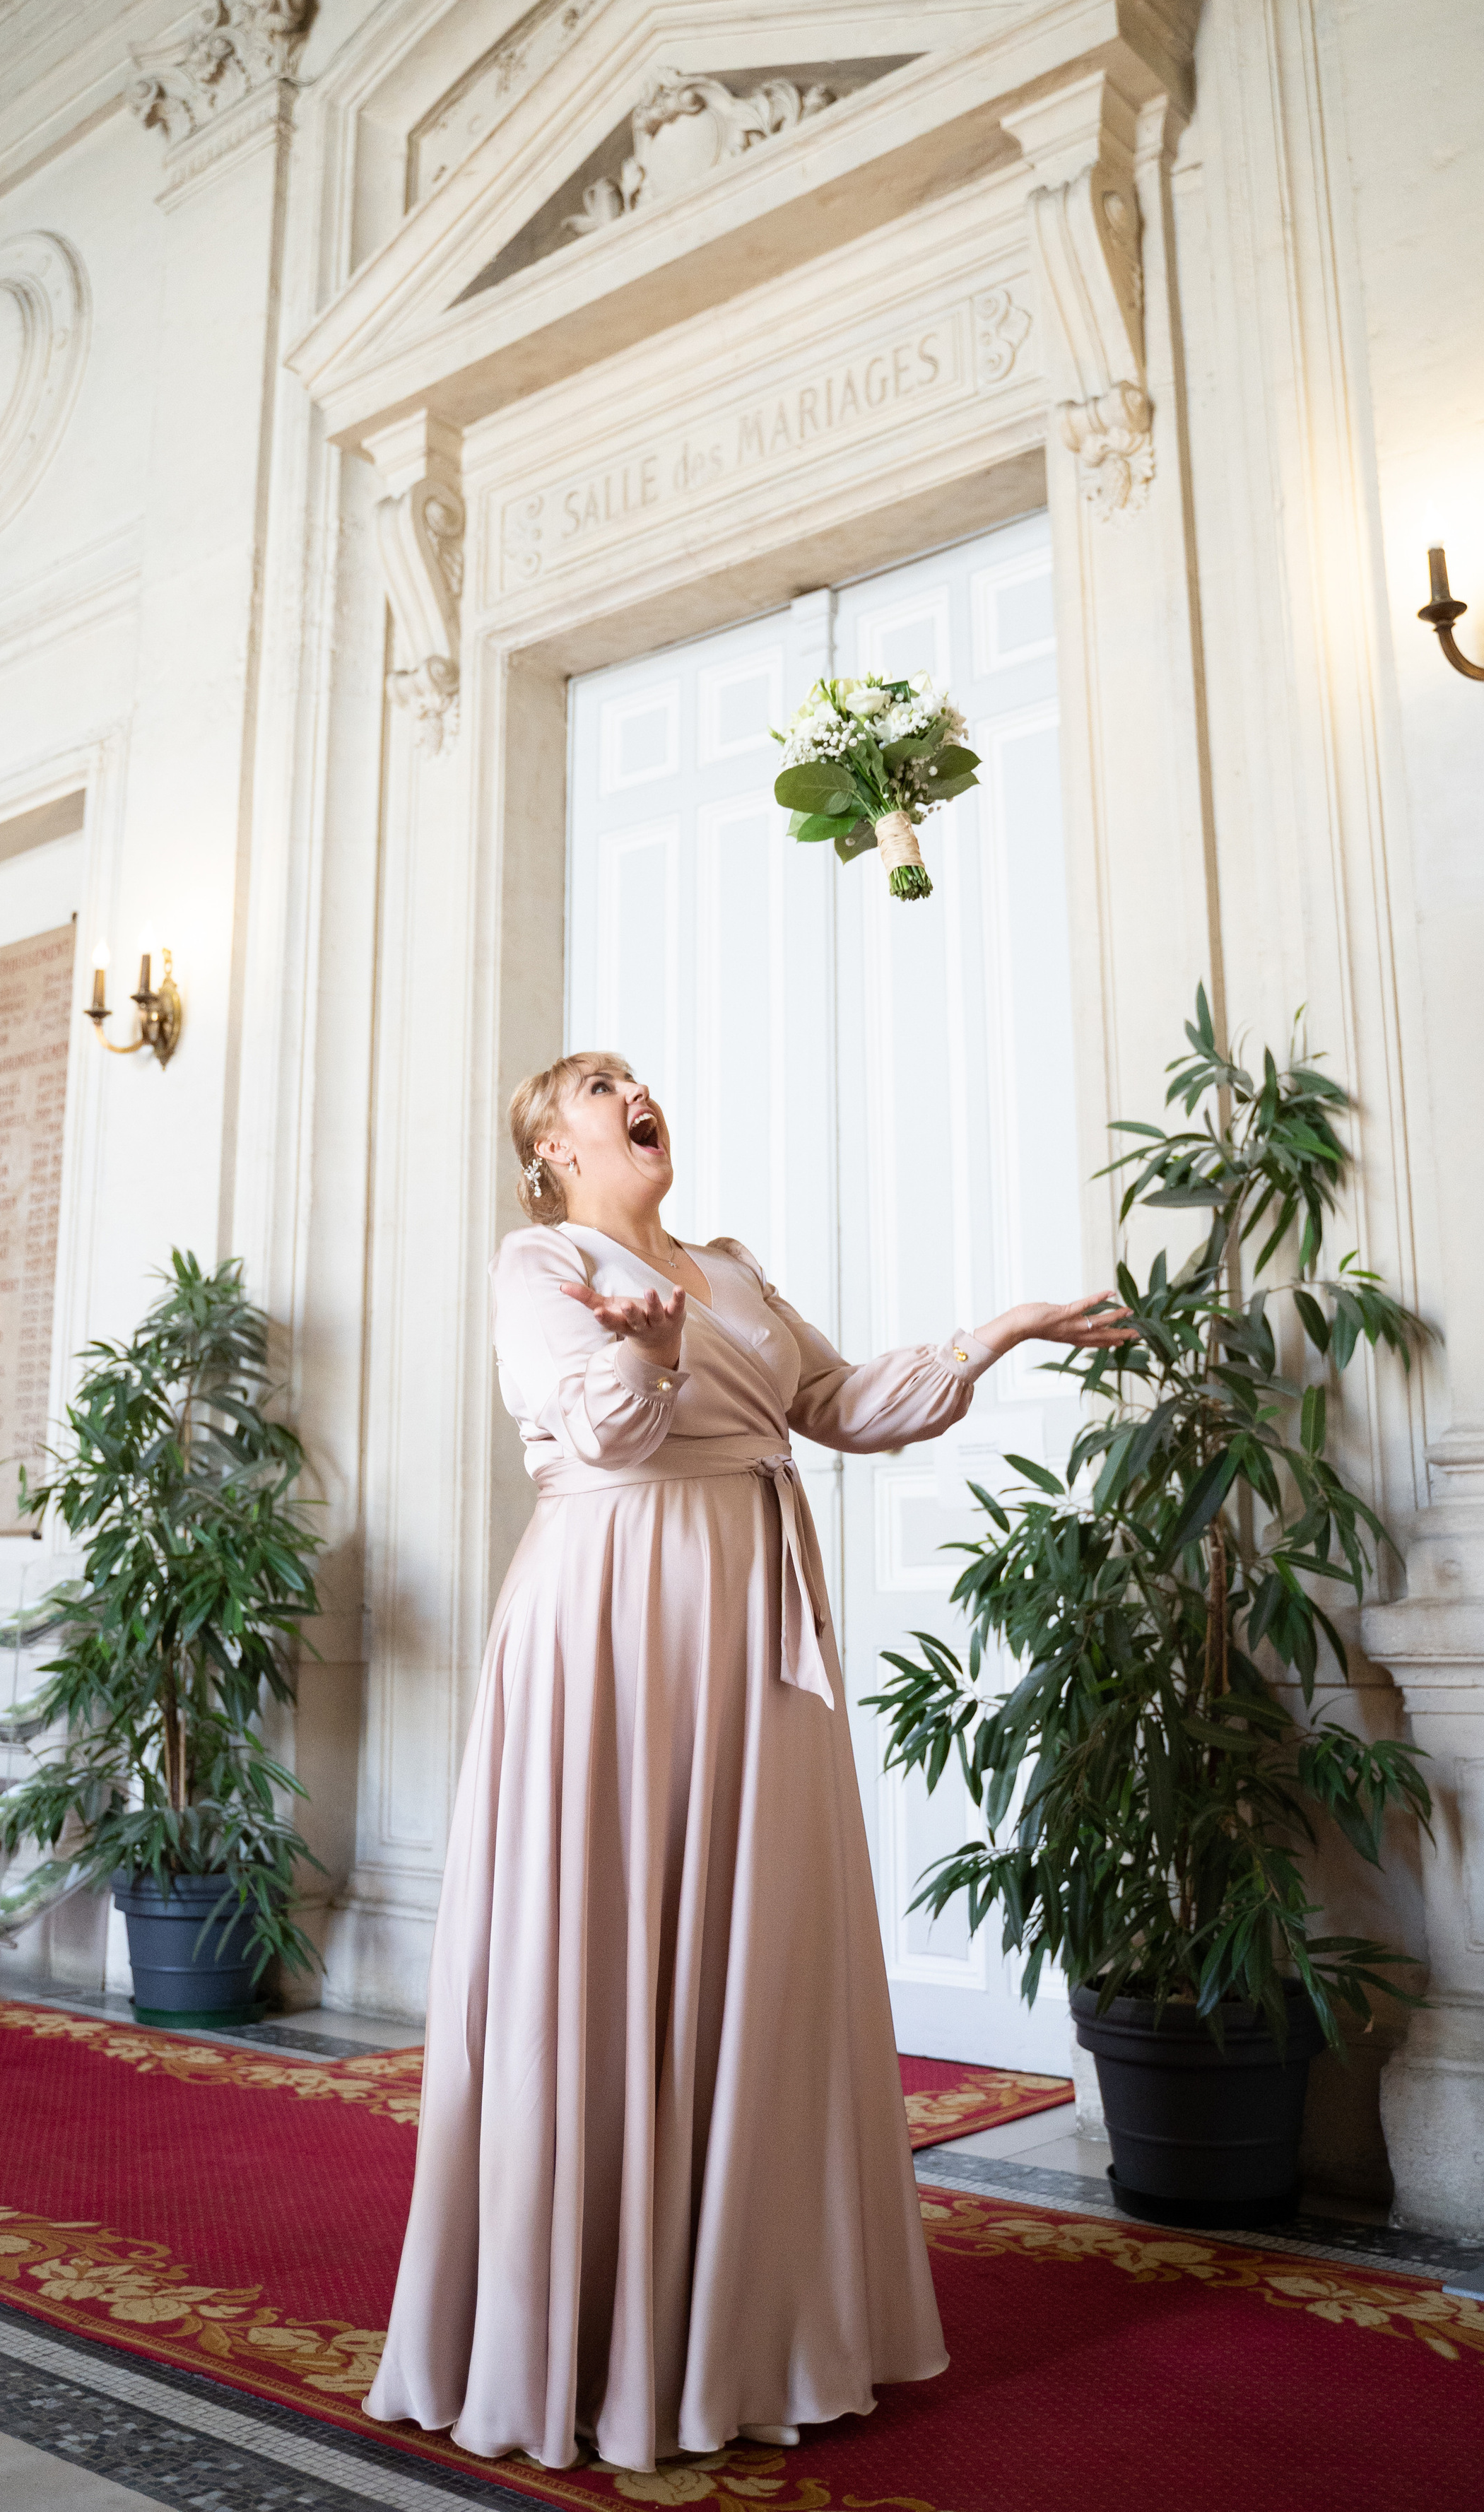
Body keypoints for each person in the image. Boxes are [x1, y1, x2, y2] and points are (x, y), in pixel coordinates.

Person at [366, 1050, 1133, 2474]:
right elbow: (598, 1430)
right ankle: (586, 2341)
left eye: (635, 1077)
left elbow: (841, 1403)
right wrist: (645, 1350)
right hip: (612, 1611)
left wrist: (1000, 1333)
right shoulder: (536, 1260)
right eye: (596, 1085)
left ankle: (744, 2325)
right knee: (602, 1943)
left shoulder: (726, 1265)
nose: (630, 1091)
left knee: (758, 1953)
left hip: (754, 1621)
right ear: (550, 1145)